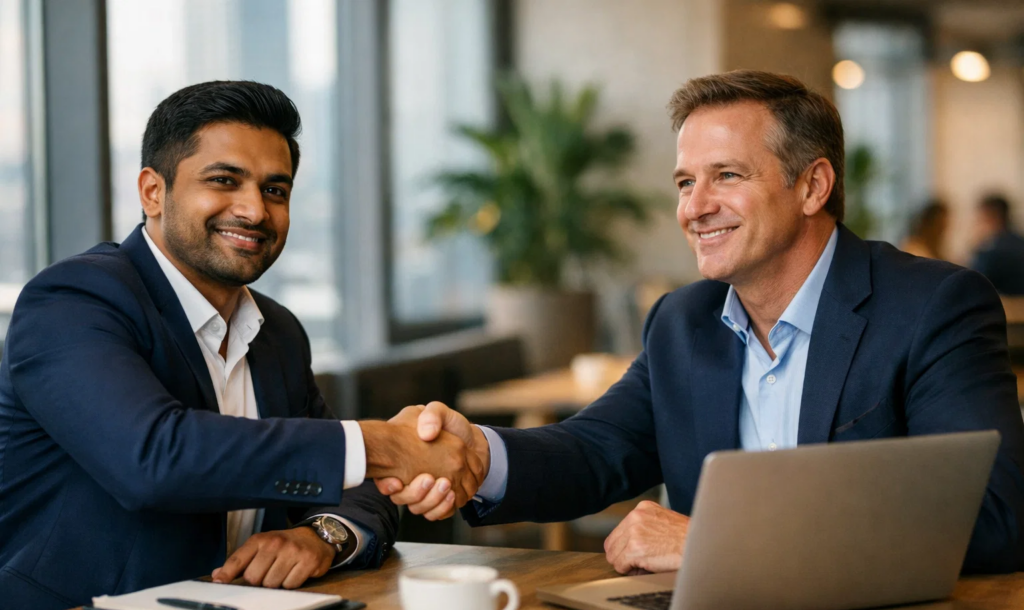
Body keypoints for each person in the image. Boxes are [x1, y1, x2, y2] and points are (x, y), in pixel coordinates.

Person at [382, 70, 1024, 576]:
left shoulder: (933, 306)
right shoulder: (682, 321)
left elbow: (995, 521)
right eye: (685, 182)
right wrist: (474, 455)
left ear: (813, 186)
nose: (695, 207)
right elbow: (595, 450)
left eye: (727, 176)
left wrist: (724, 542)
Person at [0, 81, 483, 610]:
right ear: (152, 191)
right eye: (224, 181)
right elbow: (152, 458)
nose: (255, 210)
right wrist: (378, 443)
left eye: (276, 190)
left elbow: (357, 488)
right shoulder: (73, 301)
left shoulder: (278, 331)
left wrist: (319, 536)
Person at [970, 194, 1024, 296]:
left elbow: (972, 284)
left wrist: (977, 248)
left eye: (980, 218)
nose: (975, 223)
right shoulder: (1020, 241)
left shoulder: (992, 253)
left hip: (1008, 308)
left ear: (992, 217)